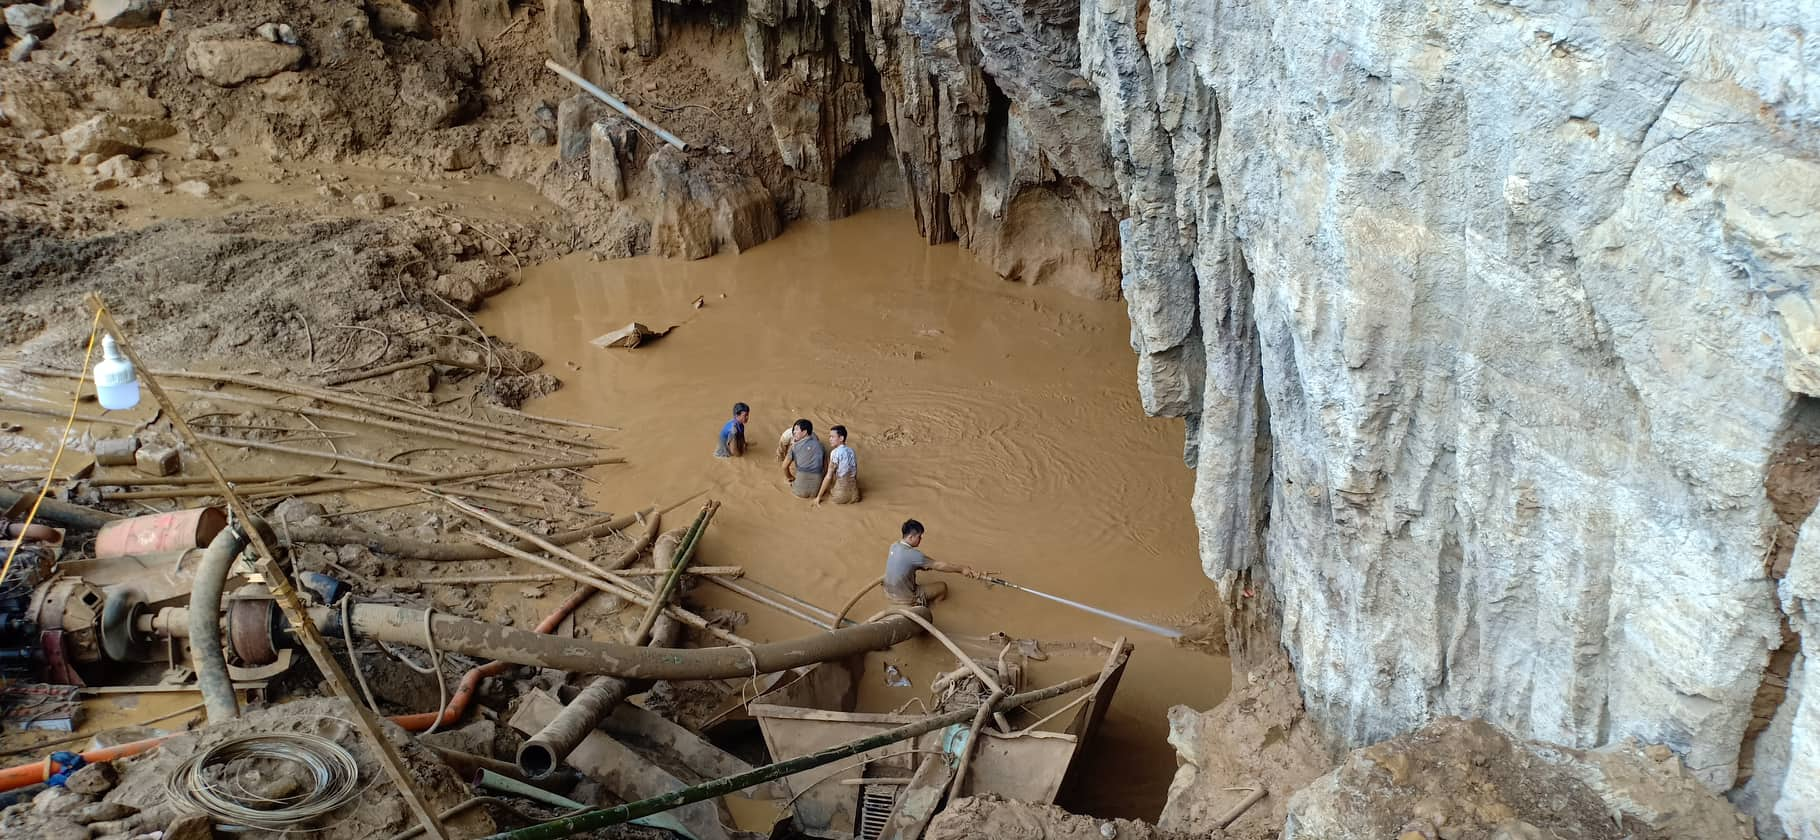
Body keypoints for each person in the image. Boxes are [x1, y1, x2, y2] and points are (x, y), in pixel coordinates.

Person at [885, 519, 985, 606]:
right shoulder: (914, 555)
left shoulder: (894, 546)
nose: (921, 539)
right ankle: (936, 606)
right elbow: (939, 565)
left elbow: (906, 563)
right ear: (911, 537)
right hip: (906, 598)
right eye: (919, 537)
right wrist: (962, 569)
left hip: (888, 592)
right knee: (943, 587)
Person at [813, 425, 859, 505]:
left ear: (841, 438)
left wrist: (818, 497)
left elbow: (828, 476)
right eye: (830, 437)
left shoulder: (835, 453)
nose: (830, 439)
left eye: (832, 437)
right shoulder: (851, 451)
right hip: (855, 495)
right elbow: (854, 473)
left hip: (840, 496)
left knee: (830, 493)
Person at [782, 418, 826, 498]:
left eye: (796, 429)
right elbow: (824, 467)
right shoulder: (821, 446)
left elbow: (784, 467)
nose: (794, 432)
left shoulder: (794, 447)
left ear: (804, 432)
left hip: (798, 491)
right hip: (816, 491)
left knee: (786, 481)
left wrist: (790, 477)